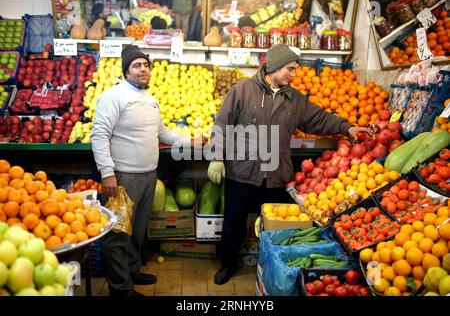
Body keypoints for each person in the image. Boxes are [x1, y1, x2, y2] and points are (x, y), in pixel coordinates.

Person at [207, 44, 372, 285]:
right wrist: (216, 156)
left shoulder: (293, 99)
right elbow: (222, 124)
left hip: (275, 175)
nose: (294, 75)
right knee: (234, 222)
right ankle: (228, 264)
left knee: (276, 226)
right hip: (243, 171)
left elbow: (318, 119)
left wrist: (346, 127)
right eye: (290, 69)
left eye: (295, 70)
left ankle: (271, 265)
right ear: (274, 66)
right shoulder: (242, 90)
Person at [91, 45, 205, 296]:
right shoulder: (114, 97)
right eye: (137, 65)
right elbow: (99, 135)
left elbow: (162, 132)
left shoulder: (150, 99)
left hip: (147, 175)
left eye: (146, 65)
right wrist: (107, 173)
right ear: (126, 71)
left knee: (138, 230)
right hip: (122, 178)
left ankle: (132, 271)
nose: (143, 69)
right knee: (118, 233)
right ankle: (120, 288)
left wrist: (189, 142)